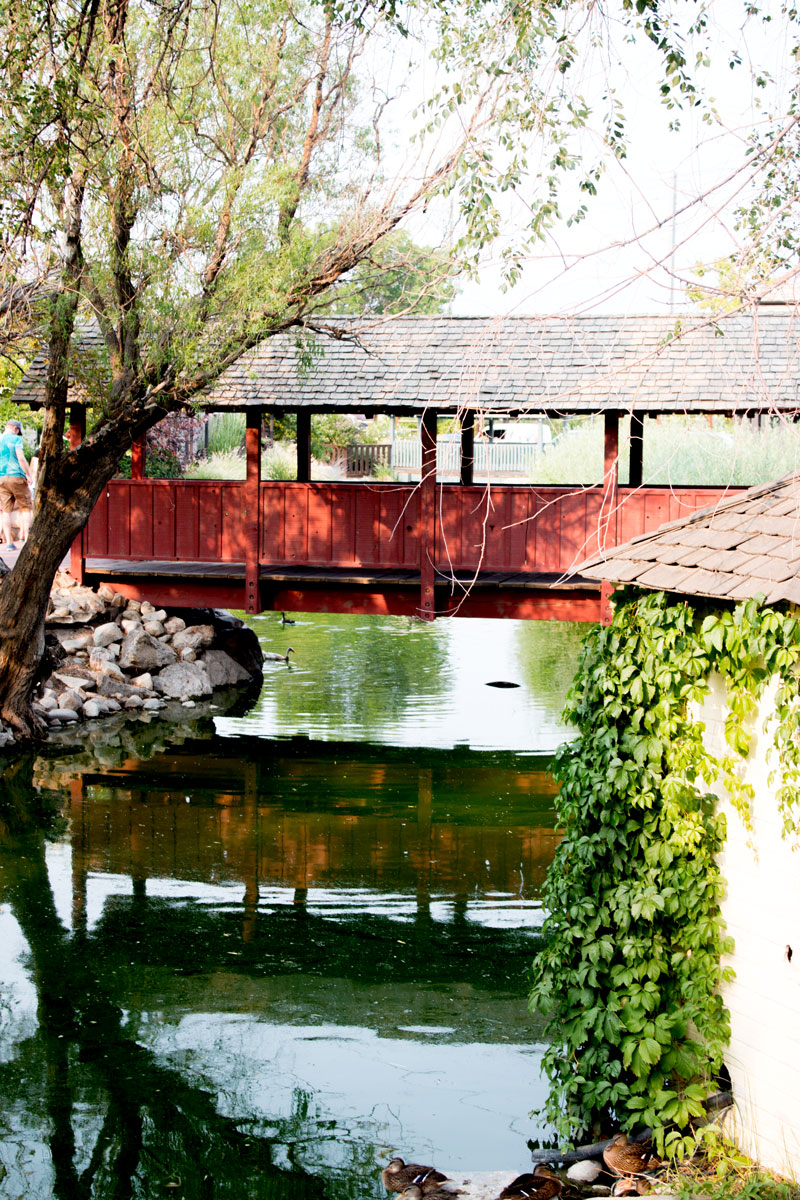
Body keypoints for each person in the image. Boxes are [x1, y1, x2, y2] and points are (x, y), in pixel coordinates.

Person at [0, 418, 34, 549]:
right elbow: (21, 458)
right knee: (26, 508)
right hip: (16, 476)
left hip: (1, 478)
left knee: (6, 511)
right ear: (15, 429)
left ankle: (9, 543)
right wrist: (28, 474)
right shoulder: (15, 439)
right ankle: (26, 541)